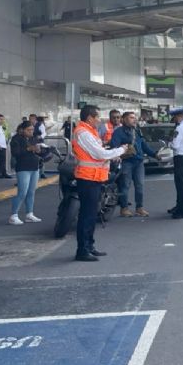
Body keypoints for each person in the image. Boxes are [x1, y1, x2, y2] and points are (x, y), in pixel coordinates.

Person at [72, 105, 128, 262]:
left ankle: (89, 246)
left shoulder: (90, 131)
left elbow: (99, 152)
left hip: (94, 178)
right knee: (86, 216)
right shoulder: (83, 132)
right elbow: (100, 153)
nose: (100, 120)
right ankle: (82, 250)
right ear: (90, 118)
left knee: (91, 215)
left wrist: (111, 155)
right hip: (87, 178)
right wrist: (120, 151)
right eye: (97, 117)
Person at [110, 111, 157, 218]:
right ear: (124, 119)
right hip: (127, 162)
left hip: (139, 162)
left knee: (140, 185)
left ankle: (139, 208)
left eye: (134, 118)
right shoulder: (118, 132)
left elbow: (143, 145)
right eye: (131, 118)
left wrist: (154, 155)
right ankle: (124, 208)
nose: (134, 119)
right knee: (125, 186)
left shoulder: (136, 130)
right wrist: (123, 149)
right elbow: (114, 147)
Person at [8, 121, 43, 226]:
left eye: (32, 130)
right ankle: (13, 215)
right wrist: (28, 148)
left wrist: (39, 150)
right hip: (23, 167)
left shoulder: (34, 138)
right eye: (29, 130)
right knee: (22, 192)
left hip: (34, 166)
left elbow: (38, 150)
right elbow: (15, 153)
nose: (31, 132)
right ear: (22, 130)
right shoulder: (16, 139)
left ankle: (29, 214)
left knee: (31, 192)